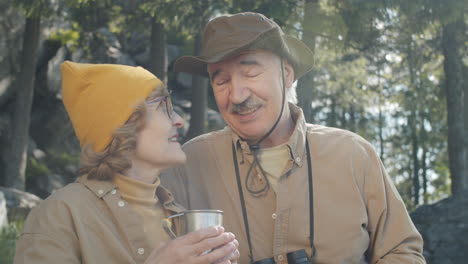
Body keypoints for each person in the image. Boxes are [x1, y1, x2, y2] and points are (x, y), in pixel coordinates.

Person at [162, 12, 426, 264]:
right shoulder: (188, 166)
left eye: (251, 73)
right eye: (221, 81)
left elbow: (401, 251)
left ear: (286, 74)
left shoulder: (353, 154)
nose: (238, 95)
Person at [14, 61, 240, 264]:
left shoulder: (178, 215)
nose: (179, 120)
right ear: (122, 124)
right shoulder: (61, 213)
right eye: (163, 107)